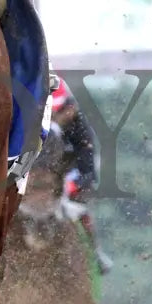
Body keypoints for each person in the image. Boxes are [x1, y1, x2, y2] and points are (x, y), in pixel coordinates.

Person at [50, 76, 113, 275]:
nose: (54, 118)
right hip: (41, 180)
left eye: (58, 112)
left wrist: (72, 185)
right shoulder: (36, 125)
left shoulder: (81, 130)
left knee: (80, 209)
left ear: (69, 108)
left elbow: (88, 170)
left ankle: (96, 253)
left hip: (73, 179)